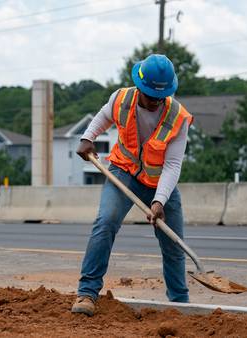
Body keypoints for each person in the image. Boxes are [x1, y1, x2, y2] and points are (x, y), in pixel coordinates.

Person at [71, 54, 193, 316]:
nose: (154, 102)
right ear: (139, 86)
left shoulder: (178, 118)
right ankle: (87, 293)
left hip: (160, 181)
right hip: (123, 172)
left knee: (174, 245)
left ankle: (180, 305)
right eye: (150, 95)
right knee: (105, 223)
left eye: (160, 97)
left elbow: (172, 165)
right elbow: (103, 117)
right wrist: (87, 137)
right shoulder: (121, 99)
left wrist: (159, 200)